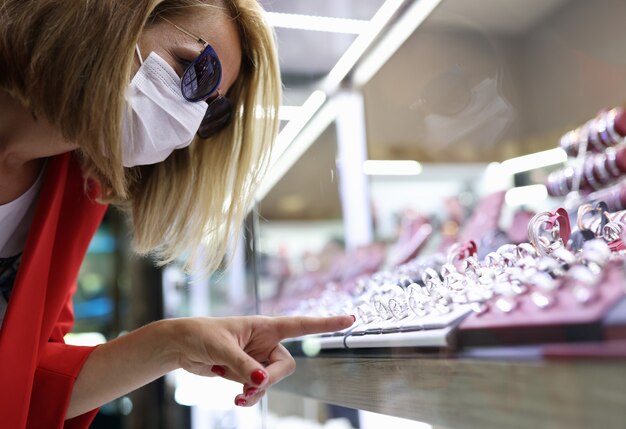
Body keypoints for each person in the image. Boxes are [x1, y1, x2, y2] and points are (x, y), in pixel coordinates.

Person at [0, 1, 354, 427]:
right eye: (192, 71)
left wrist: (176, 343)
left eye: (210, 110)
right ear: (111, 15)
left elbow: (25, 383)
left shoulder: (75, 195)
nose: (187, 119)